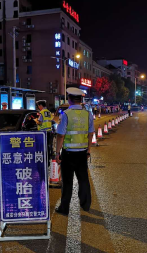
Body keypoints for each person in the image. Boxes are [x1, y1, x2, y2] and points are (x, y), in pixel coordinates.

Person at [55, 88, 94, 216]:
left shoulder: (65, 114)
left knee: (67, 182)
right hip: (82, 153)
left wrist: (57, 152)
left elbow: (60, 135)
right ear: (81, 100)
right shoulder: (88, 114)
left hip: (69, 153)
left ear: (69, 99)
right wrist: (88, 149)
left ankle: (64, 208)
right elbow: (90, 133)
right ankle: (86, 205)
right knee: (83, 179)